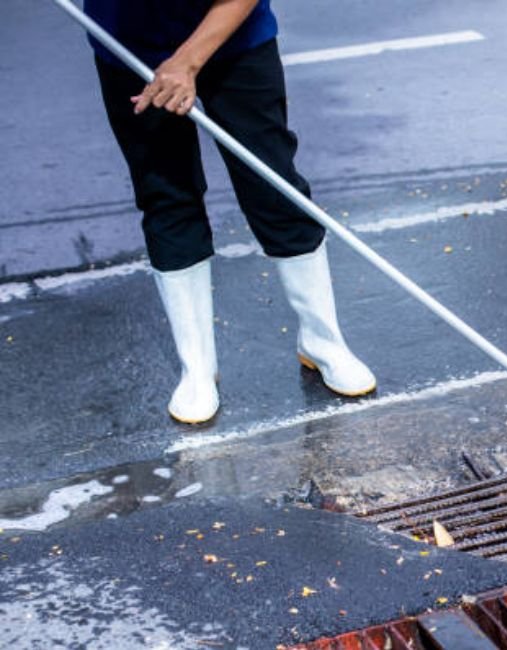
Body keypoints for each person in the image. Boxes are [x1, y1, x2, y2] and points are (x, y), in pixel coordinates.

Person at [83, 0, 376, 424]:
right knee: (166, 195)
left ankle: (322, 340)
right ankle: (197, 369)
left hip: (234, 42)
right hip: (130, 49)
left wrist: (186, 61)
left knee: (275, 189)